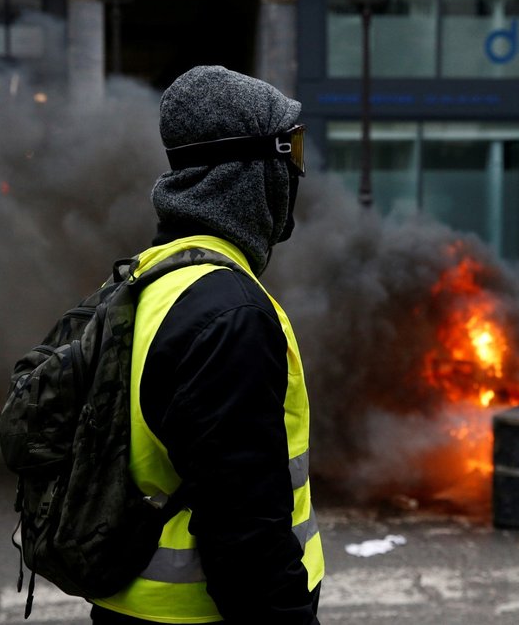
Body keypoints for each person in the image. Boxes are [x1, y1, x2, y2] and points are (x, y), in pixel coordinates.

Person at [88, 66, 324, 624]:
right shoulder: (230, 312)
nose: (297, 173)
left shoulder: (145, 279)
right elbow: (246, 534)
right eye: (289, 152)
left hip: (129, 604)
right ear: (250, 176)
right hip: (200, 616)